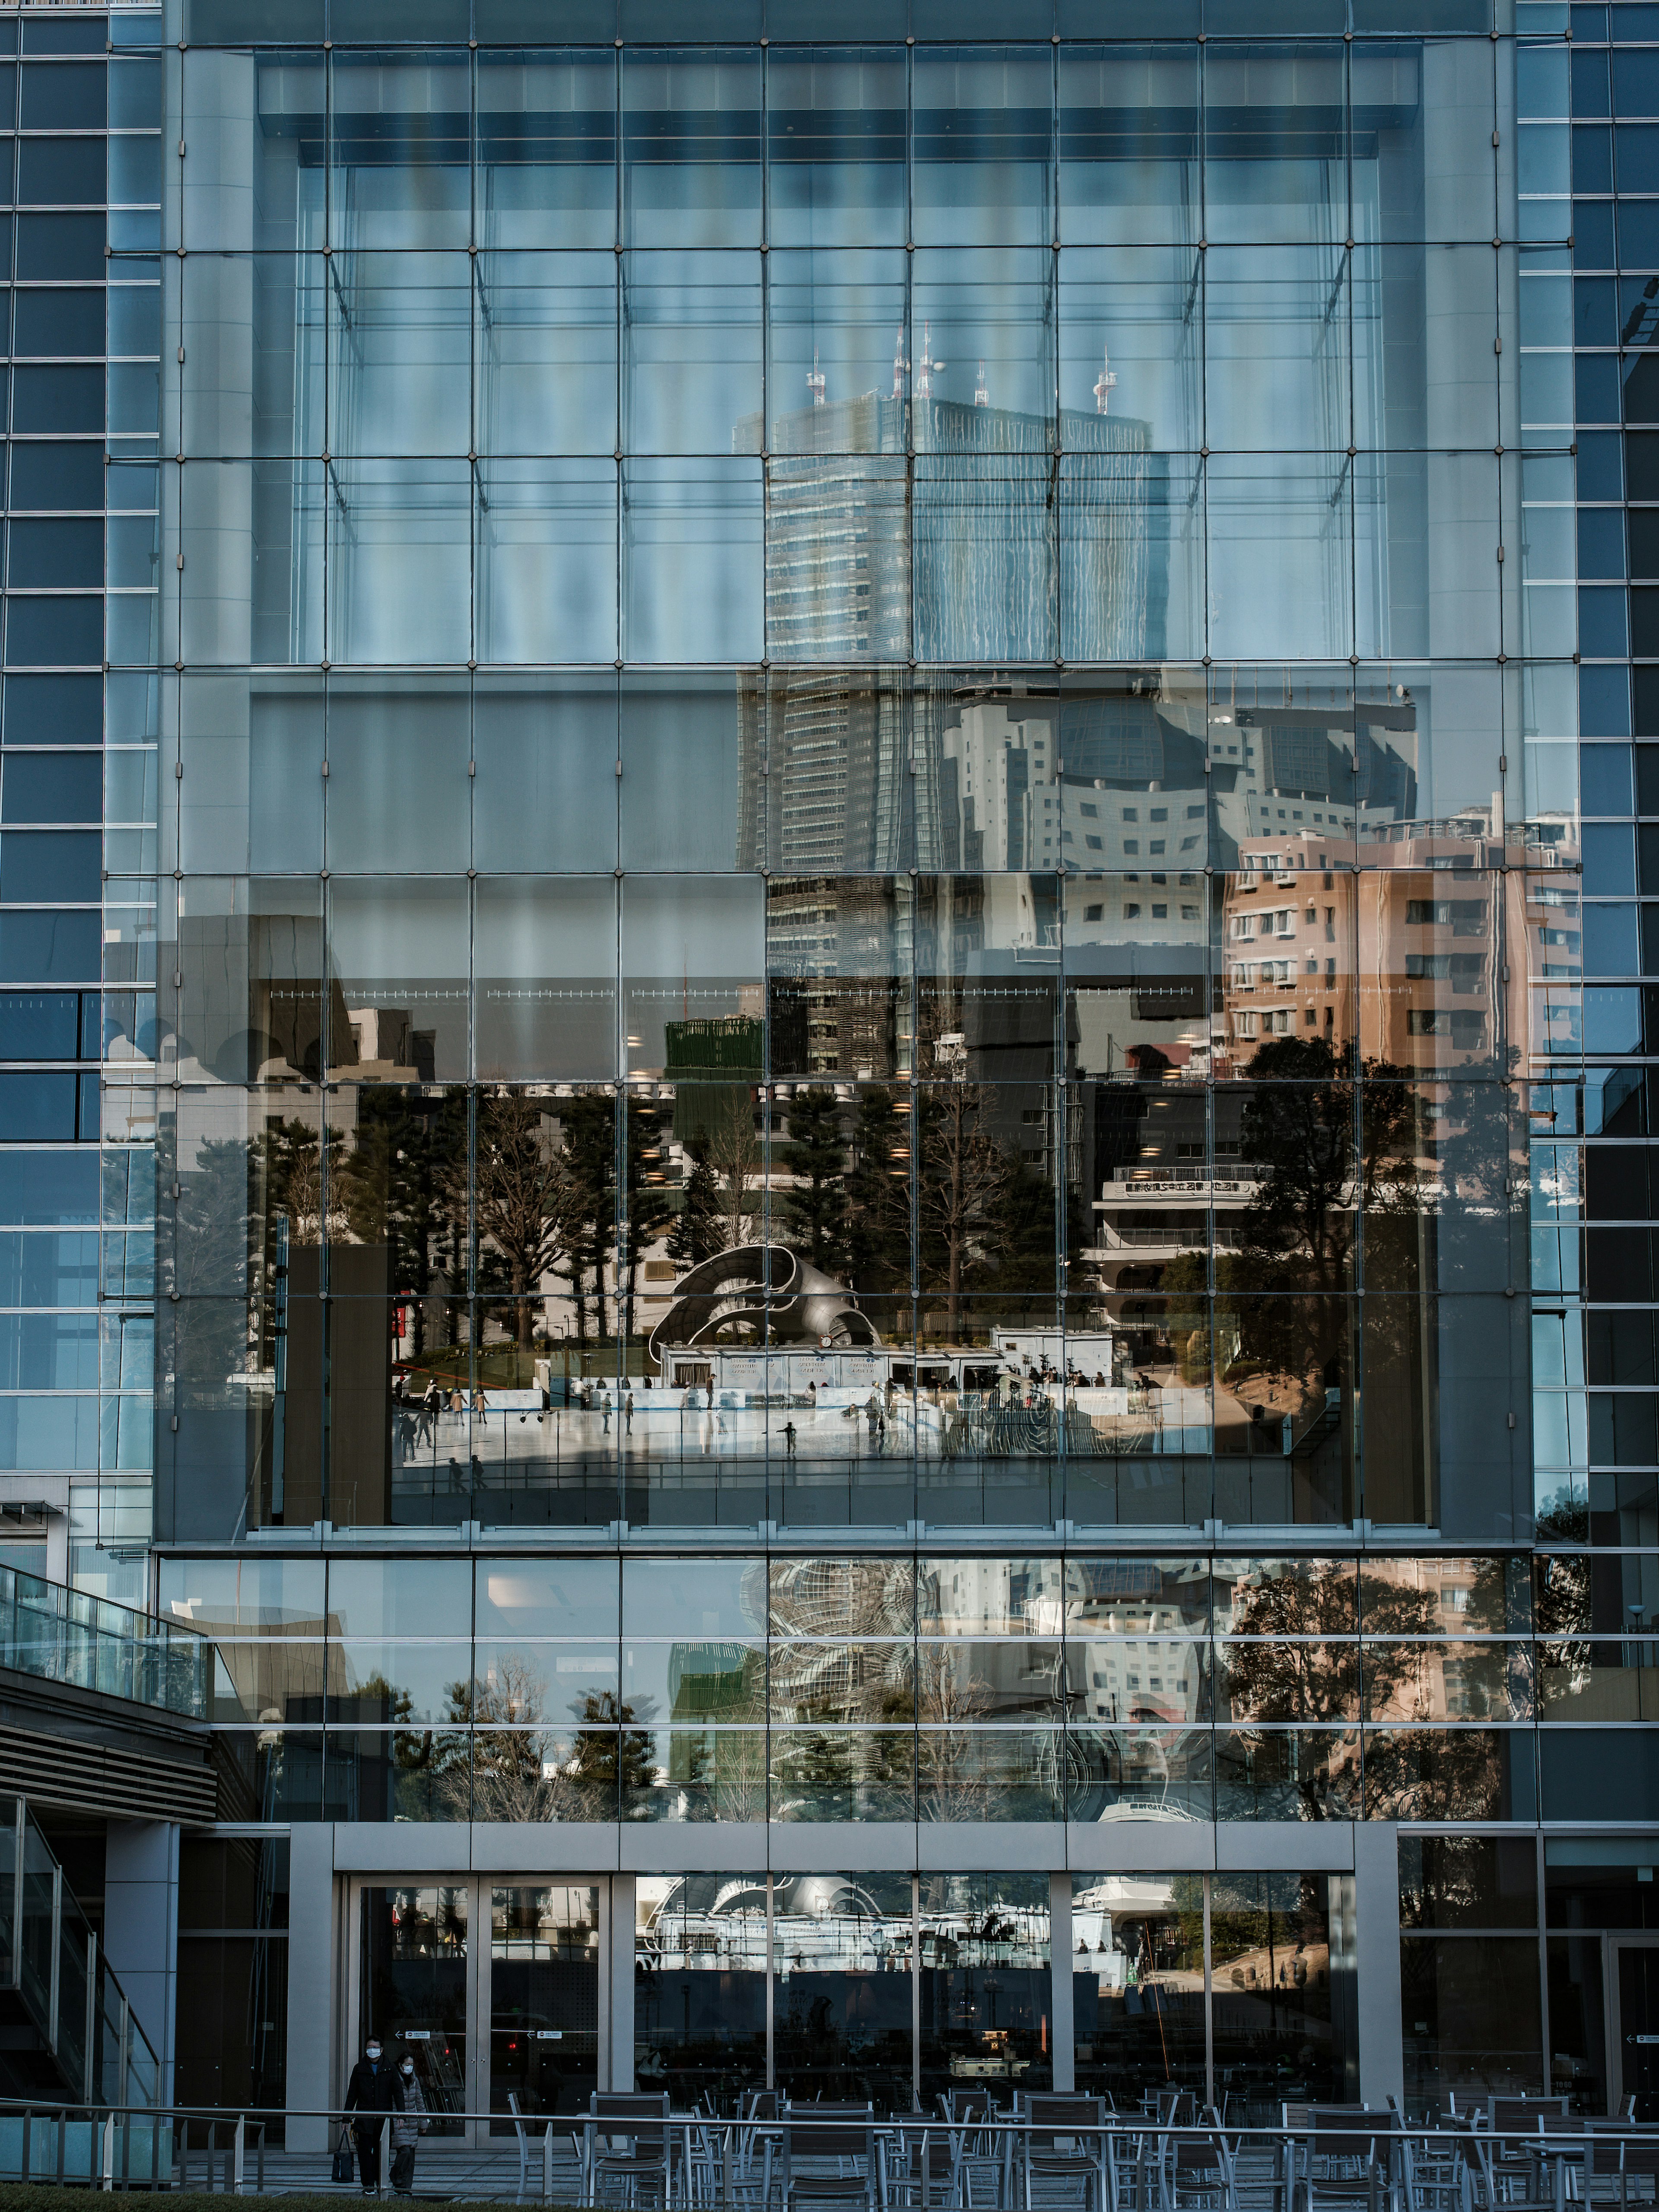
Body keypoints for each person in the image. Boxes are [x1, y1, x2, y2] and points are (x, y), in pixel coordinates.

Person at [343, 2034, 404, 2196]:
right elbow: (352, 2095)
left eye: (375, 2048)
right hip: (365, 2118)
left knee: (382, 2153)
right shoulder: (359, 2068)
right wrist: (346, 2118)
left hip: (383, 2119)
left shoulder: (390, 2068)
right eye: (370, 2047)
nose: (372, 2050)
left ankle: (380, 2182)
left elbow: (398, 2093)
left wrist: (401, 2115)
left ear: (382, 2050)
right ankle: (368, 2185)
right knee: (364, 2154)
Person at [389, 2055, 427, 2196]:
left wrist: (423, 2122)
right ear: (400, 2065)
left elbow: (419, 2102)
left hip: (412, 2122)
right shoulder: (394, 2079)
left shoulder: (415, 2081)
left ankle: (405, 2188)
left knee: (411, 2157)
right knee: (404, 2152)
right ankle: (395, 2176)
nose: (409, 2066)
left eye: (412, 2064)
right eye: (407, 2063)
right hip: (399, 2121)